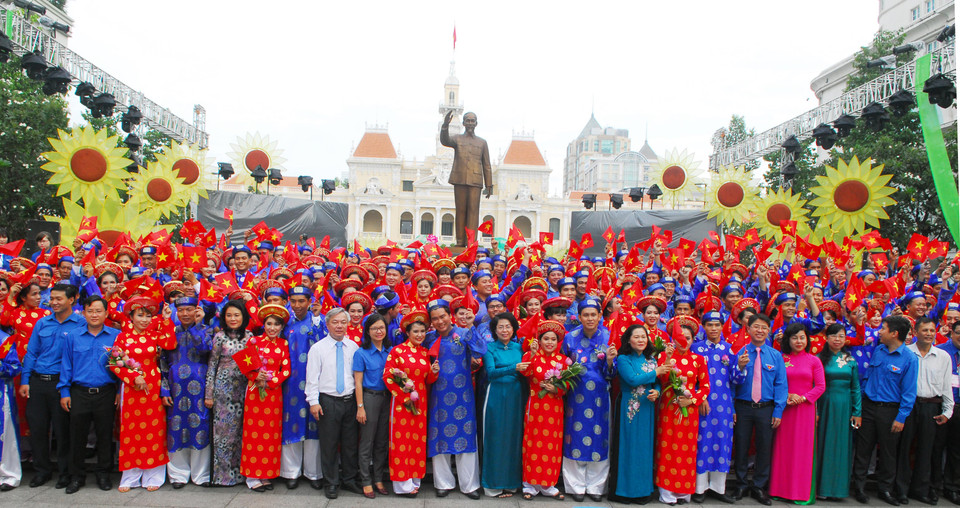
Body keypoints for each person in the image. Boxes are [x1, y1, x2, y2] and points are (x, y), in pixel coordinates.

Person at [20, 283, 83, 489]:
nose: (53, 302)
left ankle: (65, 473)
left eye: (59, 299)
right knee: (37, 429)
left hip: (62, 384)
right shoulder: (42, 323)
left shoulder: (80, 324)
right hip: (38, 381)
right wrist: (25, 380)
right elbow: (32, 353)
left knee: (63, 430)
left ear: (72, 300)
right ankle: (42, 472)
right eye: (52, 299)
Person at [112, 290, 176, 492]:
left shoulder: (155, 336)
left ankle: (153, 474)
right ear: (131, 317)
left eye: (148, 315)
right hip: (131, 391)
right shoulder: (123, 338)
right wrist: (132, 377)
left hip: (153, 389)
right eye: (140, 315)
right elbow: (114, 363)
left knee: (154, 430)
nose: (145, 319)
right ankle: (131, 475)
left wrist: (166, 320)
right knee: (131, 431)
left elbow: (170, 343)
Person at [852, 315, 918, 506]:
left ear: (894, 333)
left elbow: (909, 392)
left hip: (891, 411)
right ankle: (860, 487)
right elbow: (867, 379)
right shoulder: (879, 350)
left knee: (889, 452)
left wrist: (901, 417)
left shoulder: (909, 359)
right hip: (869, 407)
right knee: (863, 450)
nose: (879, 331)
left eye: (884, 328)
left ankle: (885, 489)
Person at [424, 298, 486, 498]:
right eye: (435, 319)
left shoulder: (465, 333)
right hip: (437, 396)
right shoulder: (428, 338)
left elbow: (480, 351)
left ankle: (469, 484)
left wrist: (470, 326)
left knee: (466, 438)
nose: (440, 321)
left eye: (442, 316)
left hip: (463, 396)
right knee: (439, 436)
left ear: (450, 316)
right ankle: (443, 483)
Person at [58, 296, 119, 493]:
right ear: (83, 313)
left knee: (104, 435)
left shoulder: (116, 336)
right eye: (90, 311)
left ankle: (103, 474)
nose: (94, 315)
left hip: (106, 392)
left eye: (99, 311)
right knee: (77, 436)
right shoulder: (73, 336)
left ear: (106, 313)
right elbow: (66, 365)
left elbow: (122, 367)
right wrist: (65, 391)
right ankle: (77, 476)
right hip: (79, 392)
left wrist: (119, 391)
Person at [305, 307, 363, 499]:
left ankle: (349, 479)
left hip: (350, 401)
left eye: (343, 322)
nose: (339, 326)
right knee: (329, 444)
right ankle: (330, 482)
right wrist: (314, 402)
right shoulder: (318, 348)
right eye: (335, 322)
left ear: (348, 324)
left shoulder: (354, 346)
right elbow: (312, 378)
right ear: (327, 324)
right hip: (327, 401)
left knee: (349, 444)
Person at [560, 297, 615, 502]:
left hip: (601, 396)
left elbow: (612, 373)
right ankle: (575, 486)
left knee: (600, 438)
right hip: (576, 396)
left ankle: (596, 486)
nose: (590, 318)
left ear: (600, 316)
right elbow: (561, 365)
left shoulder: (608, 336)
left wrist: (610, 362)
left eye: (594, 314)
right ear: (579, 317)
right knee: (574, 436)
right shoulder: (570, 338)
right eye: (586, 315)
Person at [896, 316, 954, 504]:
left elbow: (946, 386)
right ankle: (901, 489)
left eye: (931, 330)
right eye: (925, 330)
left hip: (931, 406)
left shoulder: (943, 356)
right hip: (908, 405)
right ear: (915, 333)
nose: (929, 334)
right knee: (904, 448)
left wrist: (947, 411)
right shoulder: (905, 353)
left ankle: (920, 490)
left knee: (926, 449)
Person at [732, 313, 788, 506]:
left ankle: (758, 486)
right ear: (748, 329)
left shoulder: (775, 355)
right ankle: (740, 484)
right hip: (743, 406)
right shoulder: (739, 352)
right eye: (756, 326)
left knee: (765, 447)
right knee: (741, 446)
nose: (760, 330)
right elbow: (731, 383)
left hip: (766, 408)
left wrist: (778, 411)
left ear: (768, 331)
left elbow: (781, 385)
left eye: (764, 327)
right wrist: (739, 367)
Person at [382, 311, 438, 497]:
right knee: (401, 441)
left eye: (423, 331)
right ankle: (402, 485)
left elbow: (427, 379)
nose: (420, 335)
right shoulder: (397, 351)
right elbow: (388, 376)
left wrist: (434, 371)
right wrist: (404, 397)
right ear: (408, 332)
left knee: (417, 441)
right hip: (401, 404)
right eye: (416, 331)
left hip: (420, 404)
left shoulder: (424, 352)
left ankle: (414, 479)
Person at [769, 322, 826, 503]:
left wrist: (803, 398)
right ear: (788, 340)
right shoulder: (780, 358)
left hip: (804, 411)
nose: (799, 341)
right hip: (784, 409)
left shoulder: (813, 360)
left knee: (803, 450)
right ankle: (779, 489)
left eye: (802, 337)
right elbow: (773, 382)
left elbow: (821, 386)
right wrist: (785, 395)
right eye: (794, 337)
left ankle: (800, 493)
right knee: (783, 449)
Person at [655, 317, 710, 505]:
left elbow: (705, 387)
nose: (684, 342)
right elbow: (662, 380)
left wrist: (692, 401)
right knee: (667, 447)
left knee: (687, 450)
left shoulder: (699, 360)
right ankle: (667, 491)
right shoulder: (663, 357)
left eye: (688, 338)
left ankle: (683, 491)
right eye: (680, 338)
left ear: (694, 339)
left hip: (690, 412)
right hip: (668, 409)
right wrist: (668, 358)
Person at [608, 324, 664, 504]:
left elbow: (656, 382)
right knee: (628, 447)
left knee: (644, 449)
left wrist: (657, 391)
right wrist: (656, 372)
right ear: (628, 340)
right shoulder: (623, 359)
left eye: (644, 336)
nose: (641, 340)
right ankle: (624, 491)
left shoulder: (651, 360)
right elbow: (631, 379)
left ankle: (642, 491)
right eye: (637, 337)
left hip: (647, 408)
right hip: (629, 407)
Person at [161, 296, 213, 488]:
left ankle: (201, 475)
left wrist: (197, 326)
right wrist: (164, 389)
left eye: (189, 310)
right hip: (175, 387)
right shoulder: (170, 332)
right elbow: (162, 361)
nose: (185, 314)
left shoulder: (205, 330)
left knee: (200, 427)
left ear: (196, 310)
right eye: (181, 310)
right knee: (176, 427)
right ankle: (178, 475)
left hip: (199, 387)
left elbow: (205, 349)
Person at [240, 304, 292, 492]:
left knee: (270, 434)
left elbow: (286, 369)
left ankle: (266, 473)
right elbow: (245, 366)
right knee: (253, 433)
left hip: (273, 393)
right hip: (255, 392)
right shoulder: (253, 342)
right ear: (264, 324)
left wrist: (270, 382)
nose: (272, 328)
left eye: (276, 325)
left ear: (281, 327)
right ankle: (252, 476)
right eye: (269, 323)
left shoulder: (283, 344)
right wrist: (256, 377)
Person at [690, 311, 740, 504]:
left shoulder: (730, 350)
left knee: (722, 442)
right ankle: (700, 488)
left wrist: (741, 367)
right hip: (702, 403)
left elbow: (736, 380)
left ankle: (719, 488)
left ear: (721, 327)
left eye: (717, 325)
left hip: (724, 405)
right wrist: (700, 397)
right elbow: (692, 378)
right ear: (704, 327)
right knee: (702, 442)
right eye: (709, 325)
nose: (713, 328)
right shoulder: (696, 349)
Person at [204, 300, 254, 486]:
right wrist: (209, 394)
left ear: (244, 316)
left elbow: (254, 367)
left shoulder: (250, 337)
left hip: (244, 391)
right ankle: (222, 476)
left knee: (242, 433)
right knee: (223, 435)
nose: (233, 319)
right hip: (223, 392)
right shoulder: (219, 337)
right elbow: (212, 366)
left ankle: (241, 474)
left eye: (237, 315)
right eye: (229, 315)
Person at [517, 320, 567, 500]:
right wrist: (530, 353)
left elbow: (568, 384)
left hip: (554, 408)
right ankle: (529, 484)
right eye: (546, 338)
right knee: (532, 442)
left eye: (553, 339)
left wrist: (558, 389)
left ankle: (548, 484)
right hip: (536, 407)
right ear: (540, 340)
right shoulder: (532, 356)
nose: (549, 342)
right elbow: (525, 373)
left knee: (551, 444)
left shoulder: (563, 360)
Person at [280, 286, 323, 490]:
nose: (297, 305)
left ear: (309, 301)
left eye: (301, 301)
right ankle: (291, 472)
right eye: (293, 301)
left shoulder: (319, 321)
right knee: (291, 423)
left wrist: (316, 321)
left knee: (314, 426)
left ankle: (313, 473)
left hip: (315, 381)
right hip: (290, 383)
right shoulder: (283, 322)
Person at [480, 312, 524, 498]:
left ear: (513, 329)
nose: (505, 330)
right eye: (501, 327)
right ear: (494, 330)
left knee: (514, 437)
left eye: (508, 326)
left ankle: (511, 483)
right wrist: (513, 368)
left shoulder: (519, 348)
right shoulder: (489, 348)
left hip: (516, 394)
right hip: (496, 394)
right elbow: (490, 372)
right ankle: (493, 485)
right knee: (495, 437)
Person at [815, 322, 862, 501]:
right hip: (825, 404)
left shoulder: (850, 361)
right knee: (823, 444)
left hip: (845, 406)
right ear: (826, 338)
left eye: (841, 336)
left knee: (842, 446)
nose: (838, 339)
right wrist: (816, 409)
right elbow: (815, 386)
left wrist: (857, 412)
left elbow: (855, 387)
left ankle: (839, 489)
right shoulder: (819, 359)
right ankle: (822, 487)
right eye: (834, 335)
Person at [353, 313, 393, 497]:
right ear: (368, 332)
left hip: (388, 399)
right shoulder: (361, 353)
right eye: (374, 328)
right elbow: (358, 382)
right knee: (367, 441)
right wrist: (360, 406)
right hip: (369, 398)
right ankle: (366, 480)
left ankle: (378, 478)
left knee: (382, 441)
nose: (379, 331)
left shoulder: (391, 351)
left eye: (382, 328)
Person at [440, 110, 493, 247]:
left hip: (475, 181)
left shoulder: (482, 142)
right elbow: (444, 140)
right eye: (468, 120)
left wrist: (489, 185)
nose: (470, 123)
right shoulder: (457, 139)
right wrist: (445, 125)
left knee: (473, 211)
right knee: (461, 210)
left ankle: (471, 242)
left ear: (476, 123)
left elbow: (487, 164)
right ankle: (459, 241)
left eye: (472, 120)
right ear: (463, 123)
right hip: (460, 178)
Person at [935, 320, 960, 505]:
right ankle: (933, 485)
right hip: (940, 405)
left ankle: (952, 487)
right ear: (951, 332)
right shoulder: (941, 351)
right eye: (958, 332)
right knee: (935, 448)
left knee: (956, 450)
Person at [0, 330, 22, 490]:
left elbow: (15, 367)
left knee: (5, 435)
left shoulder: (4, 340)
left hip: (2, 395)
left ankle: (9, 475)